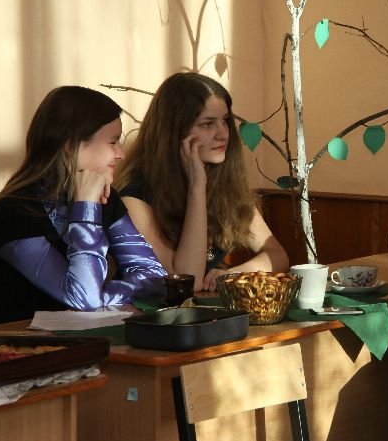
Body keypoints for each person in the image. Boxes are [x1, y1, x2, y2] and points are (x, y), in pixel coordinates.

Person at [0, 86, 166, 327]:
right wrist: (85, 208)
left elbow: (155, 277)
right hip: (12, 341)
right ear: (71, 145)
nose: (120, 153)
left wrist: (103, 295)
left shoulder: (106, 199)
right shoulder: (13, 212)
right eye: (113, 142)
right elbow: (84, 299)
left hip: (80, 338)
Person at [114, 72, 288, 292]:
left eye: (224, 121)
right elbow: (188, 281)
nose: (223, 134)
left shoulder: (224, 184)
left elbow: (277, 255)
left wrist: (235, 274)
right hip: (150, 311)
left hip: (203, 309)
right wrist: (197, 187)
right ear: (174, 132)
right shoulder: (134, 199)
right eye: (207, 124)